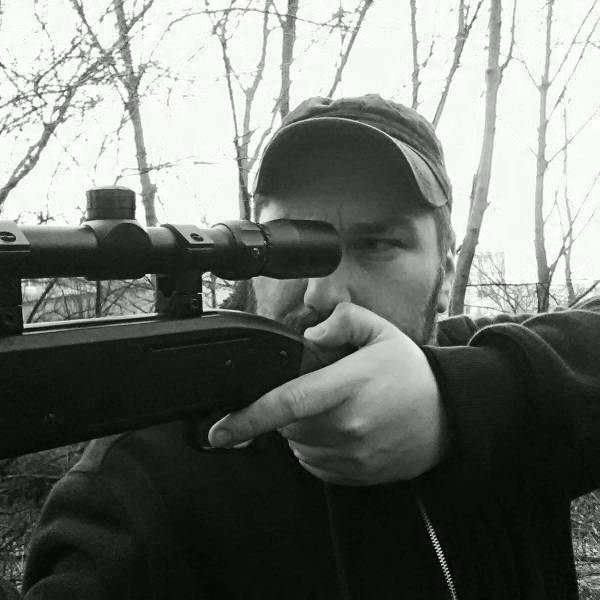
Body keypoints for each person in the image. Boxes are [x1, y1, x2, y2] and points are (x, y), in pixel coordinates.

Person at [22, 95, 600, 599]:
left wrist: (459, 405)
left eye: (376, 244)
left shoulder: (502, 376)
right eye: (287, 247)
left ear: (445, 271)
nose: (325, 293)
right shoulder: (145, 476)